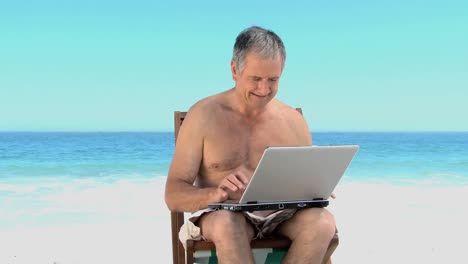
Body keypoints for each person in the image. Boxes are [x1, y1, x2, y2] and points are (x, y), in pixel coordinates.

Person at [165, 26, 336, 264]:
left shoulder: (294, 121)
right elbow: (173, 194)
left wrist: (316, 190)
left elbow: (304, 190)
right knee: (227, 224)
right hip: (222, 215)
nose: (264, 90)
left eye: (273, 80)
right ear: (235, 70)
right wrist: (216, 194)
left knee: (322, 222)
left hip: (282, 215)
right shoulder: (203, 115)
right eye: (255, 79)